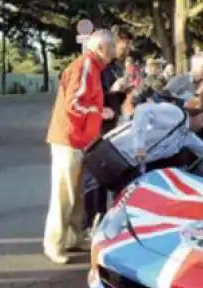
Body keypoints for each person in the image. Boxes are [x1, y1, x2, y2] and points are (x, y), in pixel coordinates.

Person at [44, 29, 115, 265]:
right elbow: (74, 103)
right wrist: (99, 112)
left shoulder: (90, 67)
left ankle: (73, 237)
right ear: (101, 48)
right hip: (69, 139)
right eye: (112, 47)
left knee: (76, 193)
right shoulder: (86, 67)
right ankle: (54, 243)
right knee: (64, 194)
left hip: (77, 139)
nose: (114, 52)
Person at [81, 26, 132, 236]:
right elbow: (90, 97)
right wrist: (113, 91)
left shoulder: (114, 67)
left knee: (104, 174)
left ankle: (99, 219)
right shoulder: (95, 67)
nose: (127, 48)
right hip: (96, 128)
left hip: (110, 125)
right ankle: (91, 222)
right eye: (123, 44)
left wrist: (123, 92)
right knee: (94, 177)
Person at [118, 94, 203, 181]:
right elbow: (142, 110)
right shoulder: (176, 114)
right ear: (199, 116)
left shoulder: (188, 135)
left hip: (133, 167)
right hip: (118, 153)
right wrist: (139, 146)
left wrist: (201, 176)